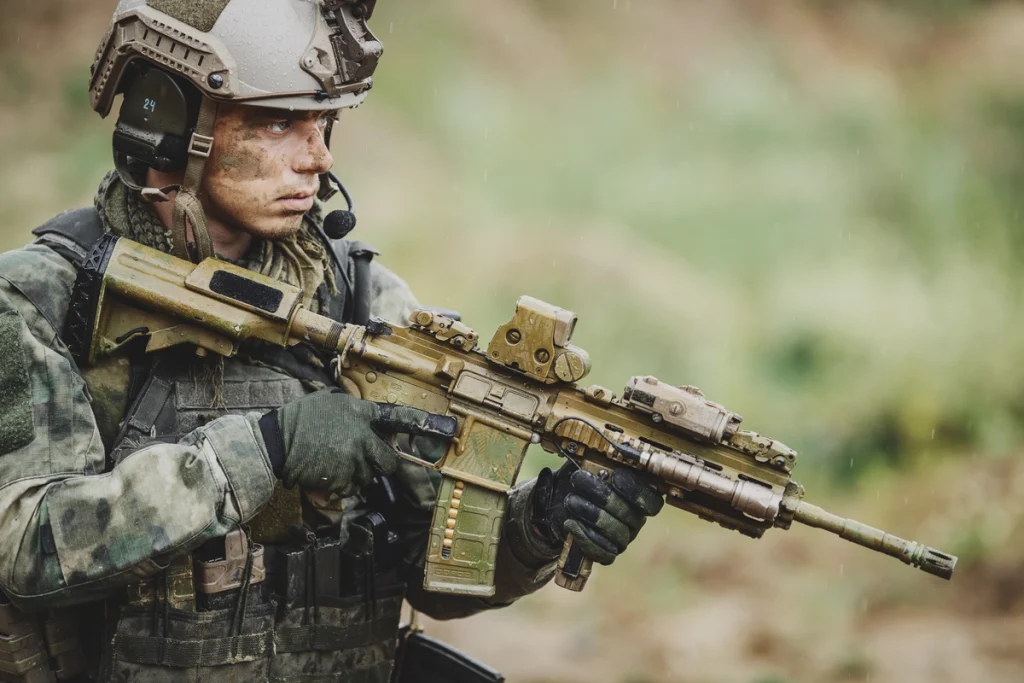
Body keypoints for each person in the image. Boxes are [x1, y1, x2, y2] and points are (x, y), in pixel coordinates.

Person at [0, 1, 665, 681]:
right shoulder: (48, 302)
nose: (318, 158)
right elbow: (26, 549)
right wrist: (265, 450)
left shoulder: (357, 297)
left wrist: (540, 524)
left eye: (325, 122)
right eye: (280, 121)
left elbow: (434, 566)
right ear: (169, 123)